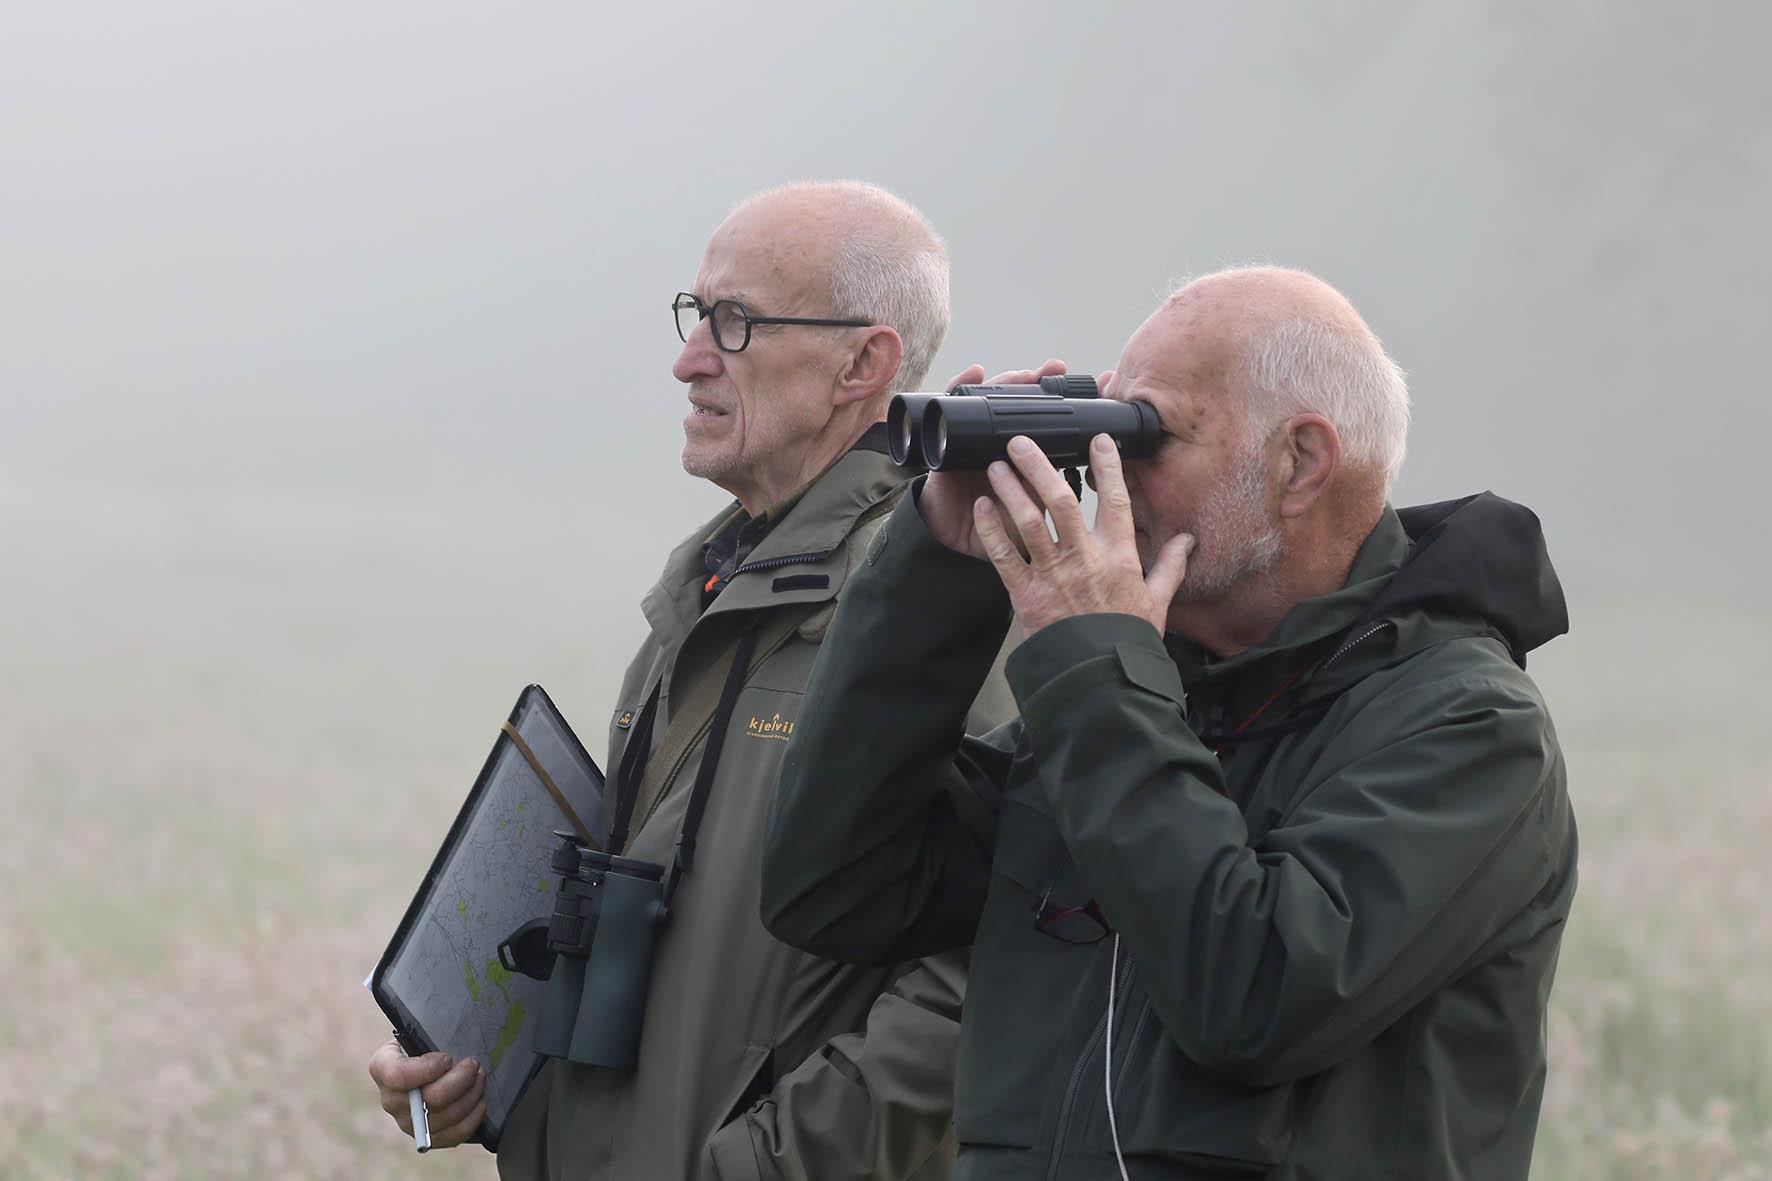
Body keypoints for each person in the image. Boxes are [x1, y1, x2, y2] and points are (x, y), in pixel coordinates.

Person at [762, 266, 1577, 1180]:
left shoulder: (1470, 724)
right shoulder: (1149, 697)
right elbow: (836, 886)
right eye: (1105, 423)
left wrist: (1098, 668)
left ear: (1301, 463)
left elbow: (1255, 1000)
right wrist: (937, 566)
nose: (1108, 473)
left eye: (1145, 433)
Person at [370, 180, 1013, 1180]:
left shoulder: (949, 595)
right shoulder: (713, 583)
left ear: (863, 364)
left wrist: (765, 1163)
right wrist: (476, 1061)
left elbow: (992, 967)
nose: (689, 358)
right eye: (695, 313)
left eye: (736, 322)